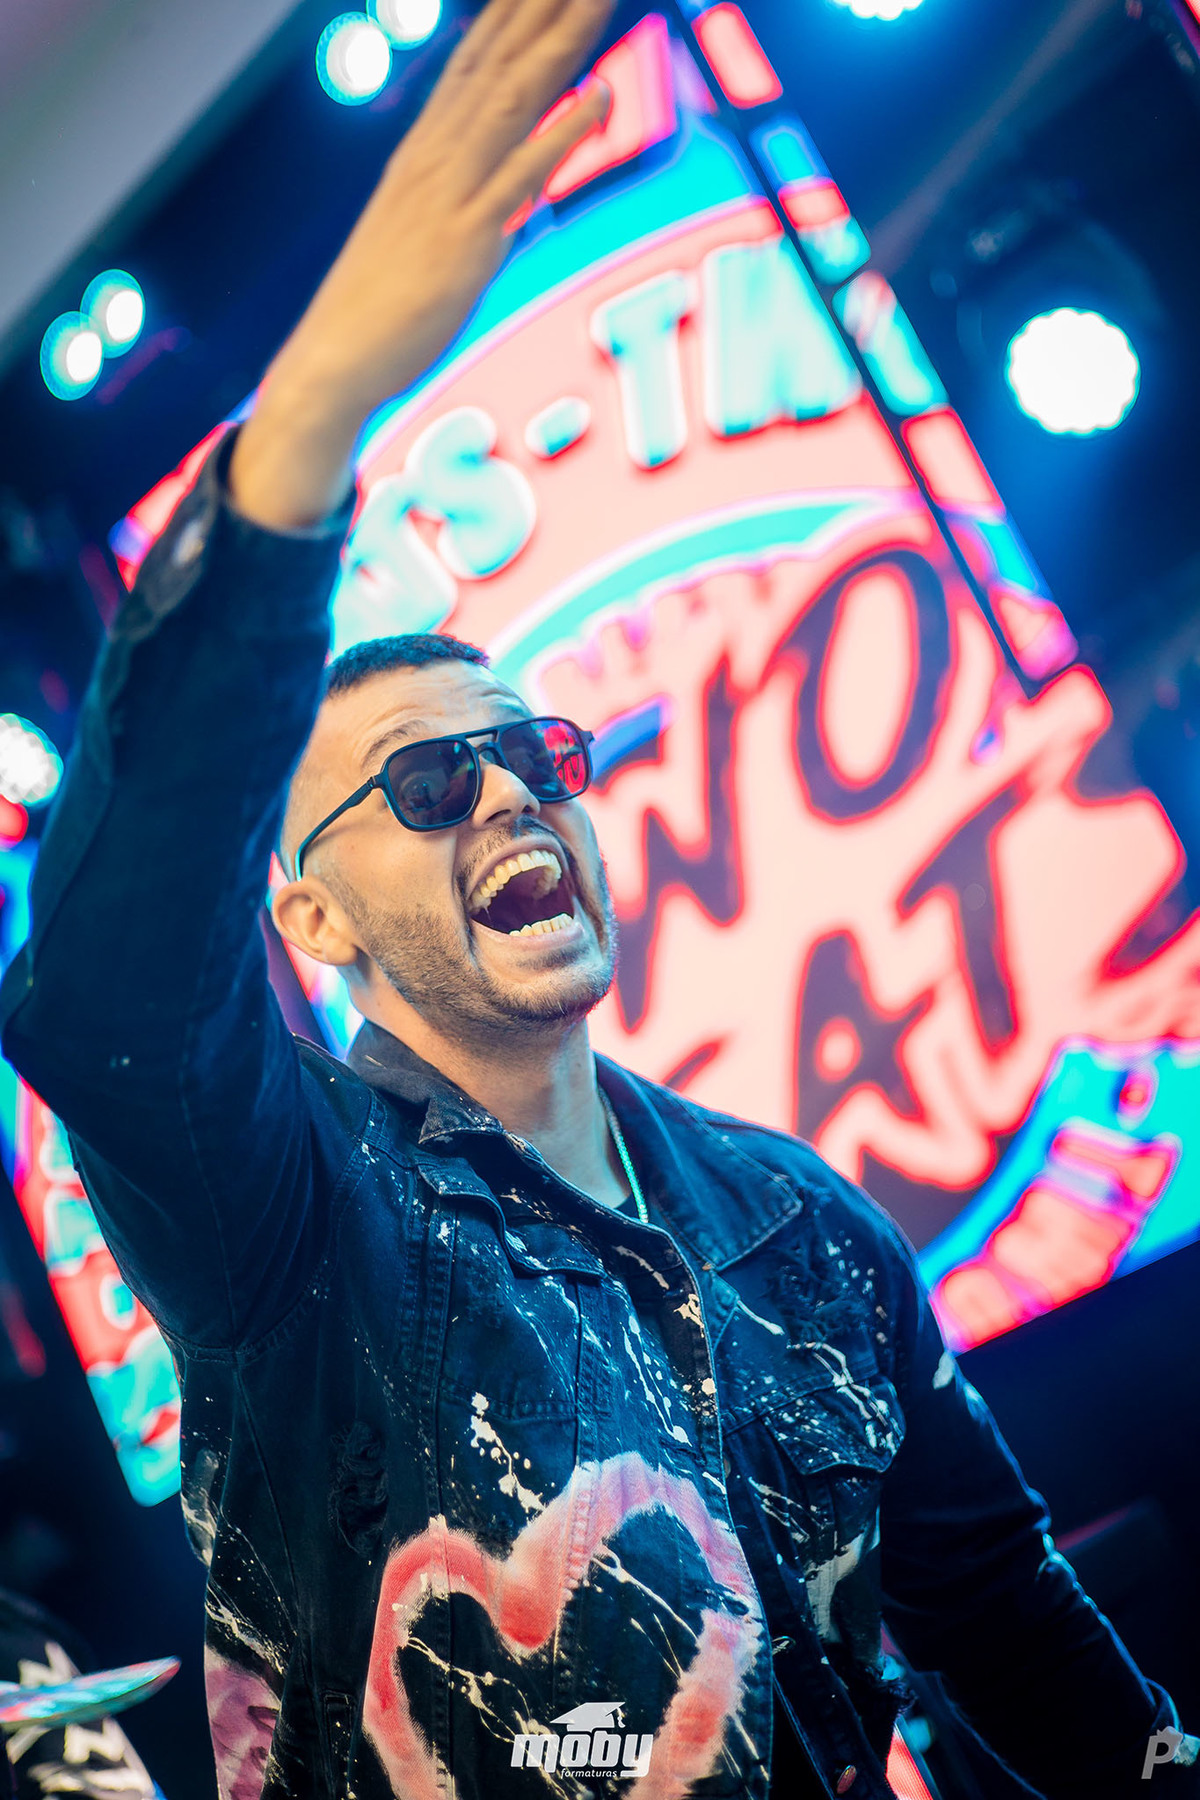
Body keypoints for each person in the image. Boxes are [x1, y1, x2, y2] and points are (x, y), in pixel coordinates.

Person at [1, 0, 1197, 1794]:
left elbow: (1008, 1618)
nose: (507, 793)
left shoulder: (804, 1227)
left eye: (535, 754)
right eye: (426, 784)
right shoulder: (288, 1217)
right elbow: (107, 989)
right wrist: (308, 417)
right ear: (314, 922)